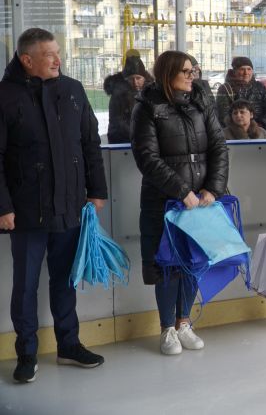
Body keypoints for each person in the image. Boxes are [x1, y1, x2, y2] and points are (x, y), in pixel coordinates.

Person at [0, 28, 108, 383]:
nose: (58, 60)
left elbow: (91, 144)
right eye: (49, 55)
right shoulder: (4, 96)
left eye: (58, 53)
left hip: (71, 206)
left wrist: (97, 191)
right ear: (27, 60)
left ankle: (68, 345)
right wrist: (3, 206)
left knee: (65, 280)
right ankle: (26, 353)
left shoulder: (73, 91)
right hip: (27, 211)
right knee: (25, 285)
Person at [130, 50, 229, 355]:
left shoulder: (201, 101)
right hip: (165, 202)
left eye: (192, 71)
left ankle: (184, 322)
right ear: (167, 74)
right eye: (185, 71)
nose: (191, 76)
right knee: (167, 265)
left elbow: (218, 147)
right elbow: (147, 157)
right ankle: (167, 329)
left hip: (201, 201)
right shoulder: (147, 106)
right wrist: (180, 190)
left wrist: (213, 188)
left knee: (193, 263)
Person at [216, 56, 266, 134]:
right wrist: (243, 127)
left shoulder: (260, 87)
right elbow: (223, 115)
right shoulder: (225, 89)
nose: (246, 73)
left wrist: (261, 124)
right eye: (242, 69)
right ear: (235, 71)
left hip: (260, 129)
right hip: (234, 133)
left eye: (249, 69)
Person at [104, 49, 153, 144]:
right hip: (121, 141)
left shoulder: (151, 93)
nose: (135, 82)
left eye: (138, 78)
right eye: (131, 79)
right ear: (126, 80)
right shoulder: (118, 94)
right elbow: (118, 122)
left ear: (144, 78)